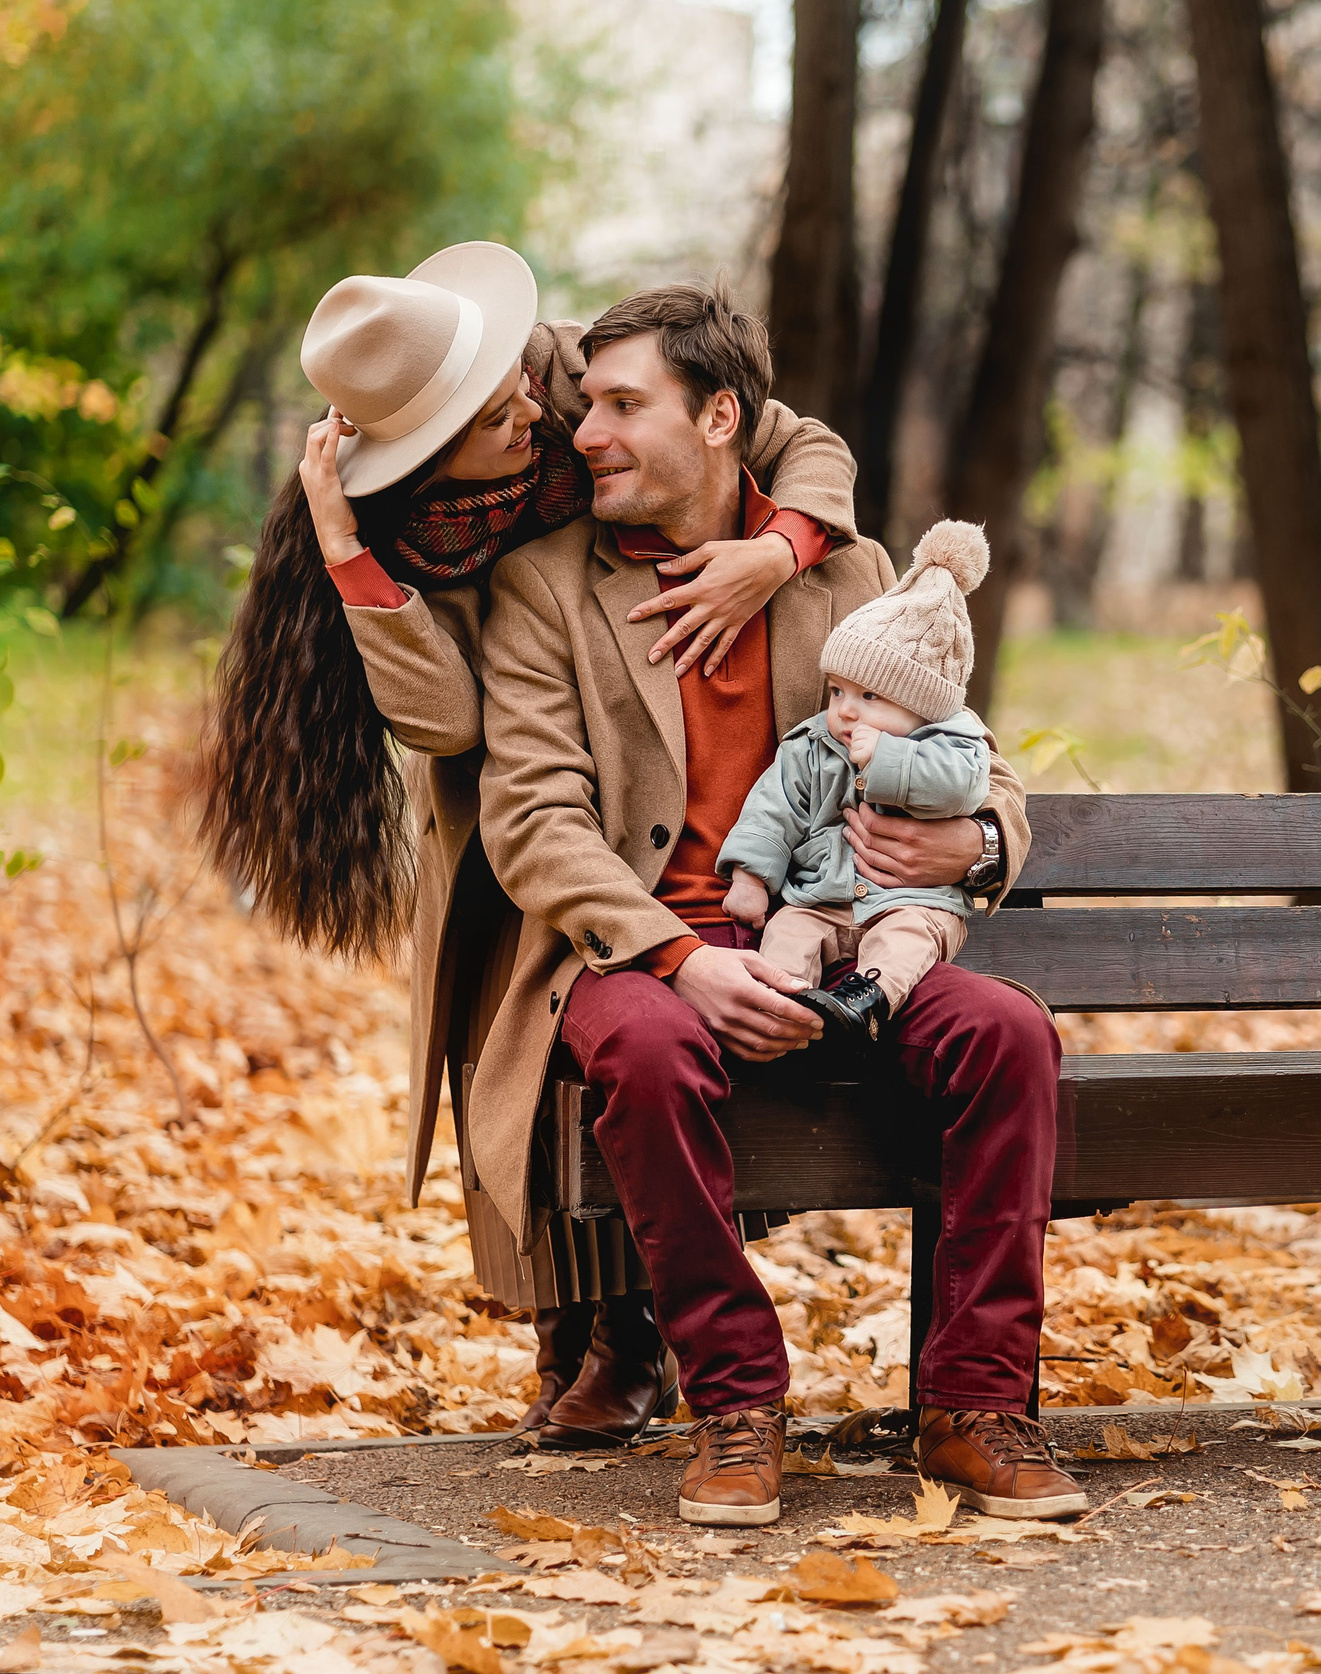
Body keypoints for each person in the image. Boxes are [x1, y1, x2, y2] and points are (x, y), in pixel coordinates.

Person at [198, 242, 861, 1450]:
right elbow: (445, 719)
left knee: (636, 1000)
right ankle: (579, 1325)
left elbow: (798, 438)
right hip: (521, 770)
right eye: (491, 417)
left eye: (512, 385)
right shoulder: (400, 519)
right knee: (532, 1020)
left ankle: (637, 1334)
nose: (532, 415)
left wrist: (780, 549)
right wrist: (349, 549)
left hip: (637, 731)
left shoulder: (566, 381)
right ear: (422, 455)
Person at [472, 280, 1083, 1526]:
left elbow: (988, 764)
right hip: (646, 952)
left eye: (621, 404)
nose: (584, 431)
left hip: (847, 934)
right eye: (586, 402)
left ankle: (973, 1405)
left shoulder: (849, 572)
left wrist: (969, 838)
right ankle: (737, 1404)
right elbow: (533, 820)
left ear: (718, 420)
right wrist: (683, 958)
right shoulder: (543, 585)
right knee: (644, 1050)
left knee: (1007, 1031)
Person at [719, 520, 995, 1046]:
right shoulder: (816, 743)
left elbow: (962, 789)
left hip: (914, 900)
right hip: (821, 894)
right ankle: (784, 1004)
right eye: (837, 691)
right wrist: (751, 879)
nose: (845, 711)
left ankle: (866, 1004)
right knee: (787, 932)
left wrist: (889, 760)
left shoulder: (954, 743)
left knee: (906, 943)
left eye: (869, 697)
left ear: (923, 707)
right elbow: (775, 806)